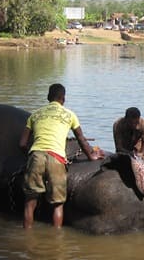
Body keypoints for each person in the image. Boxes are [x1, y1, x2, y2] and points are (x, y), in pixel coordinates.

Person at [19, 83, 103, 229]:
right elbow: (81, 139)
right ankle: (57, 237)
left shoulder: (35, 115)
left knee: (30, 202)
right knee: (58, 204)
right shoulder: (70, 115)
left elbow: (22, 144)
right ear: (63, 99)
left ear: (48, 97)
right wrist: (92, 156)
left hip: (36, 156)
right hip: (56, 158)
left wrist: (30, 157)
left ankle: (27, 235)